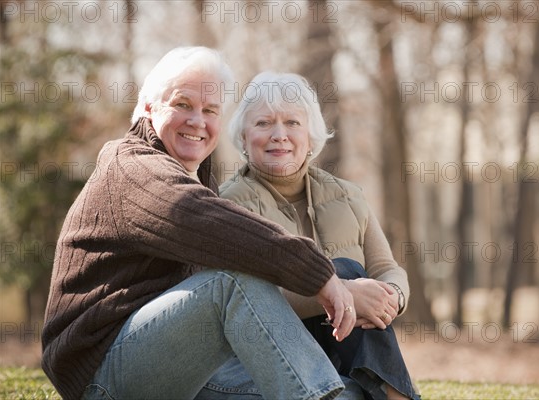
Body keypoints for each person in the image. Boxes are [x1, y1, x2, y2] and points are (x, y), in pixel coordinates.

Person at [41, 47, 358, 400]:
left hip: (173, 360)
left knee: (350, 393)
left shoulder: (196, 178)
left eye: (210, 110)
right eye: (182, 105)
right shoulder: (131, 167)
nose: (197, 121)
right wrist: (315, 270)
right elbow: (195, 214)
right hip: (102, 373)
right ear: (149, 107)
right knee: (232, 282)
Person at [200, 71, 420, 400]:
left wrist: (391, 298)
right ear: (243, 137)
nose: (279, 135)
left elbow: (387, 267)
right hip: (272, 349)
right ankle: (395, 394)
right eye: (263, 124)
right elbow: (242, 302)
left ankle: (387, 391)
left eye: (292, 123)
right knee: (342, 270)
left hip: (345, 346)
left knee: (350, 274)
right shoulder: (228, 206)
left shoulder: (348, 196)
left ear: (311, 135)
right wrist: (341, 293)